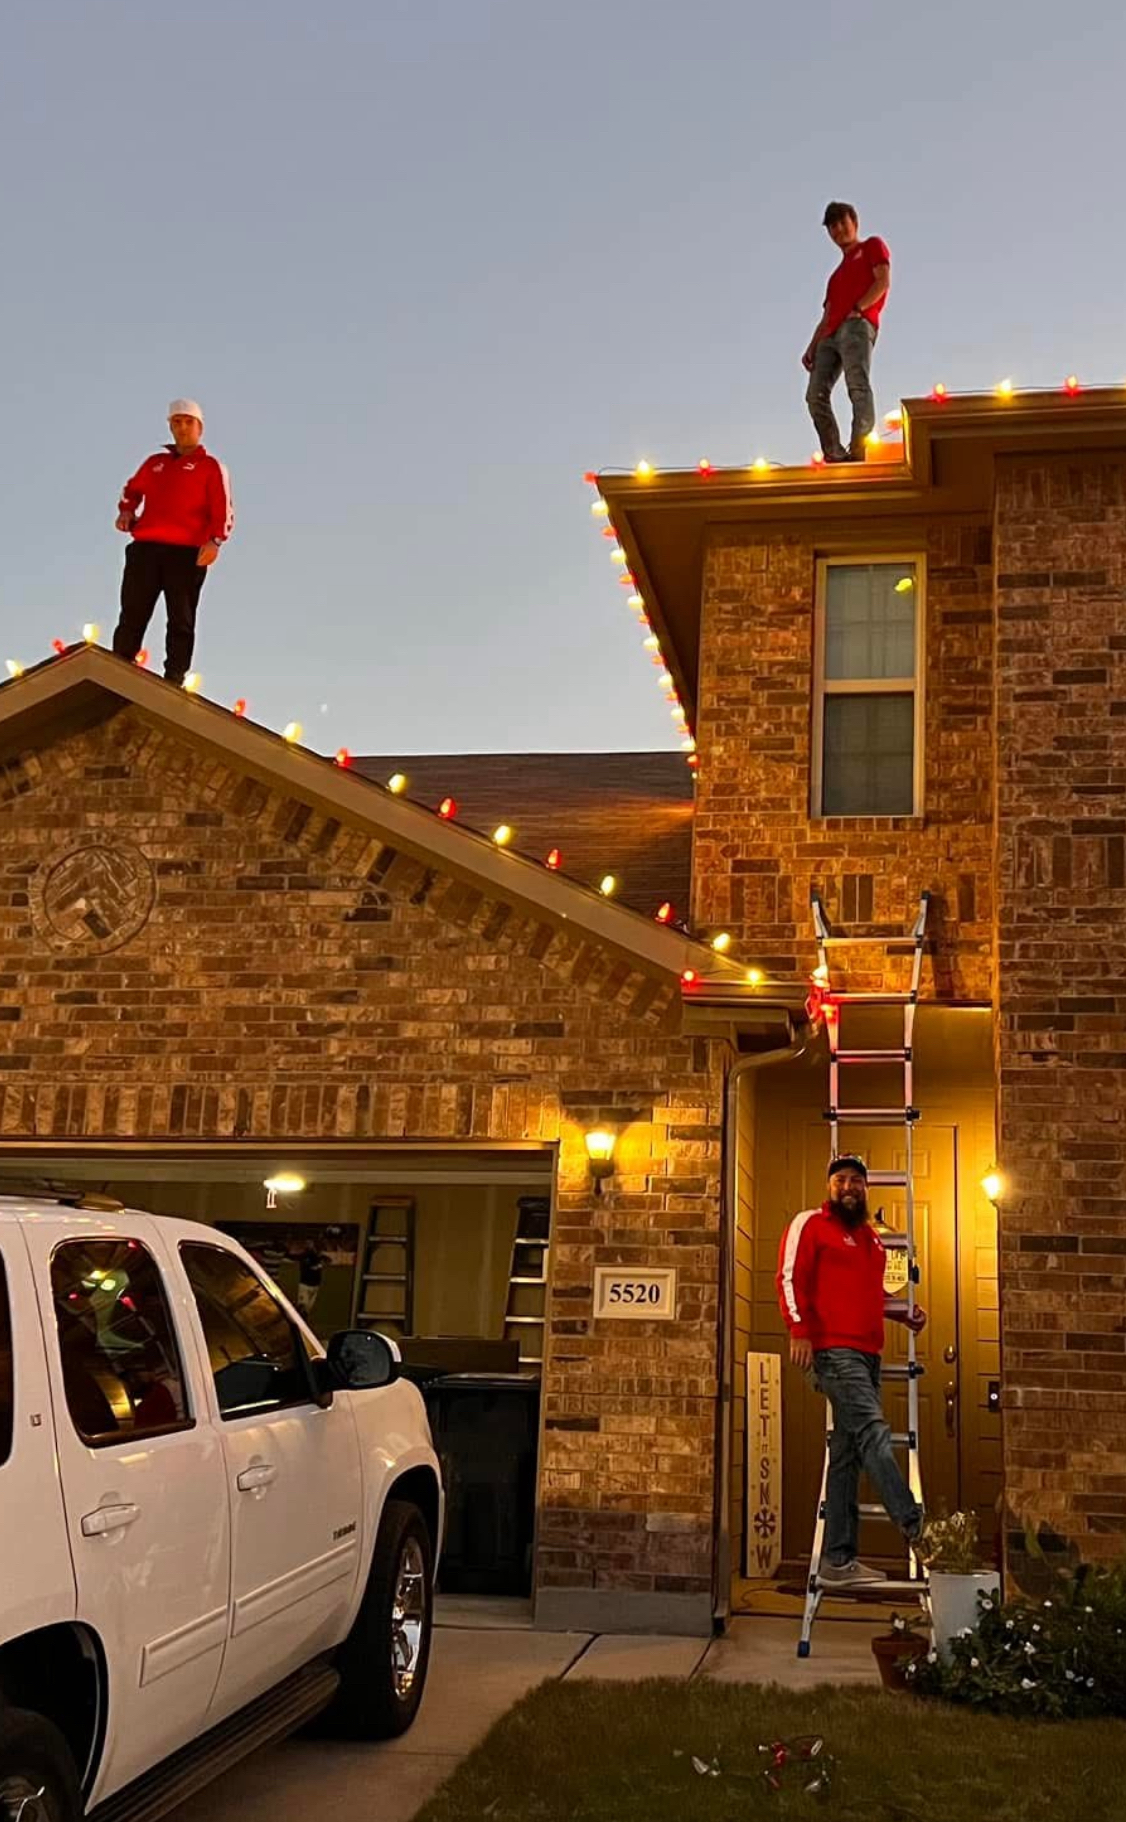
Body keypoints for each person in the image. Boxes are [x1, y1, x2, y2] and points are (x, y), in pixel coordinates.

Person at [776, 1154, 925, 1586]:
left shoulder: (870, 1240)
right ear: (829, 1186)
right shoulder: (811, 1224)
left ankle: (838, 1560)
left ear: (865, 1189)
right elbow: (789, 1279)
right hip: (832, 1351)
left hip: (867, 1353)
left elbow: (864, 1295)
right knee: (873, 1432)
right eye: (840, 1179)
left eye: (857, 1181)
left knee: (846, 1452)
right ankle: (915, 1527)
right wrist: (798, 1330)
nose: (848, 1187)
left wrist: (903, 1315)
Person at [112, 399, 234, 685]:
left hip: (186, 551)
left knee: (180, 616)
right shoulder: (155, 463)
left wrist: (215, 540)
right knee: (133, 609)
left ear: (199, 427)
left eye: (188, 422)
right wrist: (127, 510)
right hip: (146, 547)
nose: (182, 427)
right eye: (176, 422)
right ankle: (120, 665)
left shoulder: (210, 466)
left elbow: (223, 508)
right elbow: (131, 490)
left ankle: (175, 676)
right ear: (170, 425)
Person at [802, 203, 891, 465]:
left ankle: (860, 450)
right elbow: (827, 314)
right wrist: (812, 346)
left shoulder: (872, 246)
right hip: (830, 335)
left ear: (854, 222)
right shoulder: (835, 277)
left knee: (857, 385)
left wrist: (858, 309)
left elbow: (882, 281)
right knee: (815, 394)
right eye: (832, 226)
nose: (838, 229)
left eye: (842, 222)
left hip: (856, 325)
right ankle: (835, 453)